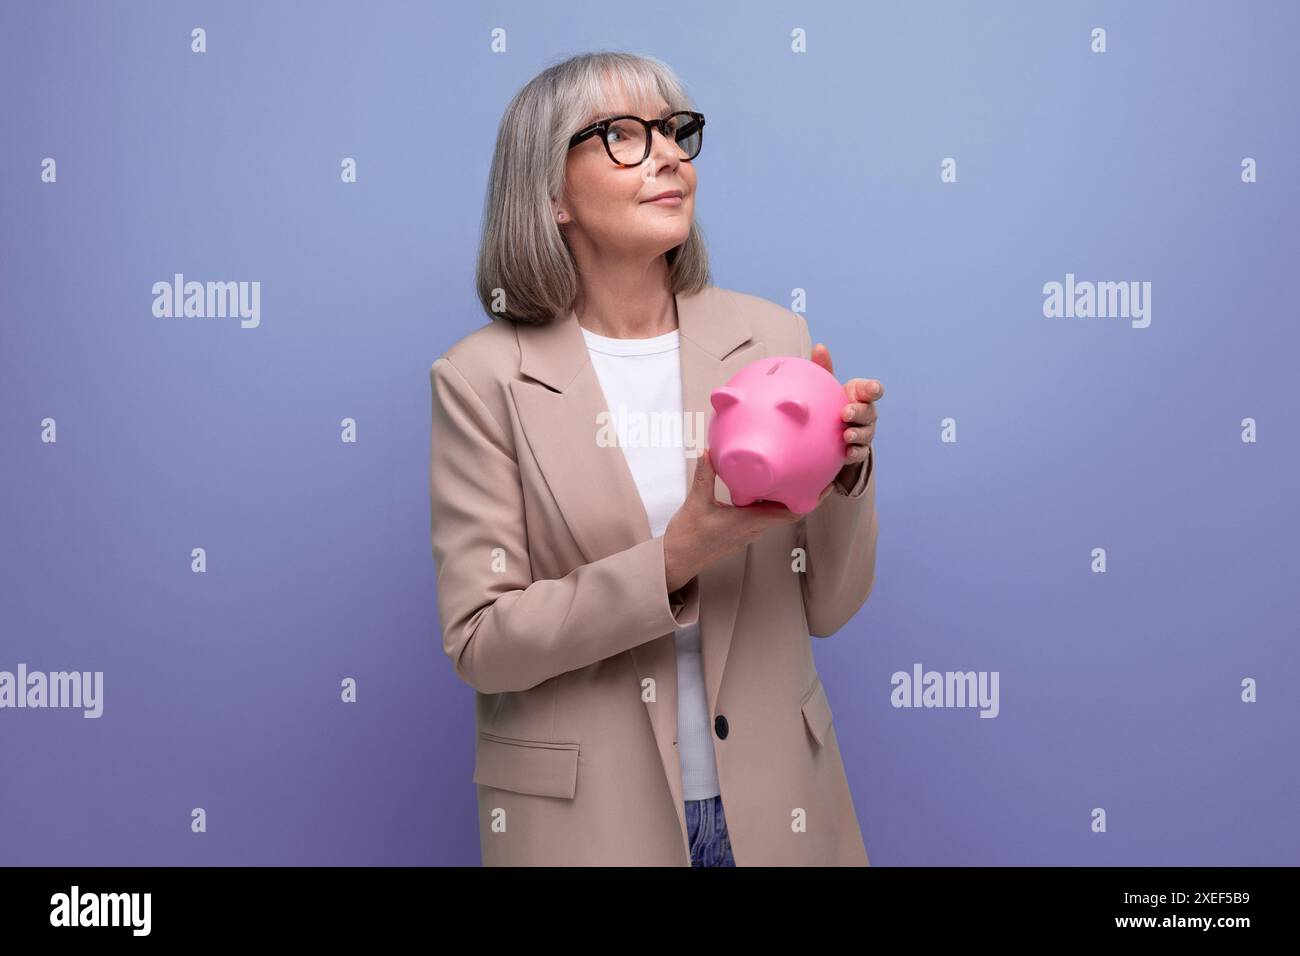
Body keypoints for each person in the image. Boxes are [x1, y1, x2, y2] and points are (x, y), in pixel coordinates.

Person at [429, 51, 883, 866]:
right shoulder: (480, 378)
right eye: (624, 136)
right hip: (589, 829)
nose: (670, 154)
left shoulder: (772, 341)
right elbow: (482, 641)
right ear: (549, 192)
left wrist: (846, 475)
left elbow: (830, 607)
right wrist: (680, 554)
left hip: (777, 805)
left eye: (676, 131)